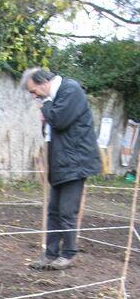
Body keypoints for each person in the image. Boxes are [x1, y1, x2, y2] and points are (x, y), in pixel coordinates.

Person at [21, 67, 100, 270]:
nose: (34, 96)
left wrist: (46, 107)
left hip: (75, 161)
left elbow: (59, 121)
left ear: (44, 82)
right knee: (54, 210)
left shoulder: (70, 90)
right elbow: (50, 130)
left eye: (33, 91)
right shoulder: (55, 97)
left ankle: (68, 254)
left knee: (67, 211)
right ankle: (50, 255)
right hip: (59, 161)